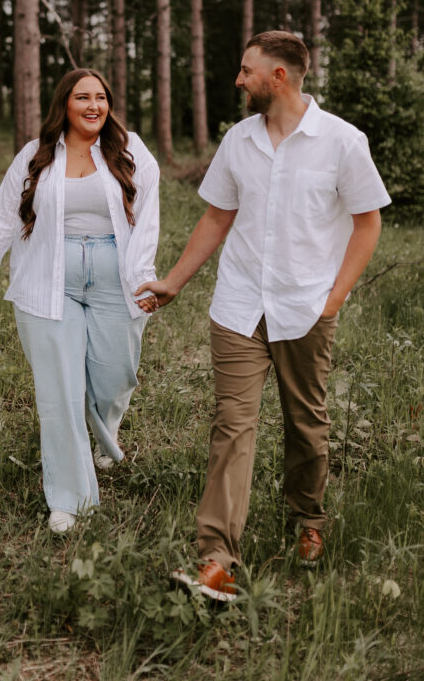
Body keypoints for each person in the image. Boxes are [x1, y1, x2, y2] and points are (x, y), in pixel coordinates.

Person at [136, 31, 390, 601]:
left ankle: (309, 520)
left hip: (306, 308)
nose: (238, 79)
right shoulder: (239, 141)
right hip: (239, 306)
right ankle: (217, 559)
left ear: (278, 76)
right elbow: (216, 218)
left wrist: (334, 298)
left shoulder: (343, 143)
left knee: (306, 423)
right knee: (232, 427)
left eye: (247, 70)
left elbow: (369, 223)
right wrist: (174, 282)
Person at [0, 69, 160, 533]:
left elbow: (147, 220)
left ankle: (105, 432)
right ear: (64, 103)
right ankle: (68, 497)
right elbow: (2, 221)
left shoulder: (130, 151)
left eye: (101, 97)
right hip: (48, 281)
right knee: (60, 392)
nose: (93, 105)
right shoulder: (35, 156)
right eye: (82, 97)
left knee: (114, 375)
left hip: (113, 278)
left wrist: (144, 279)